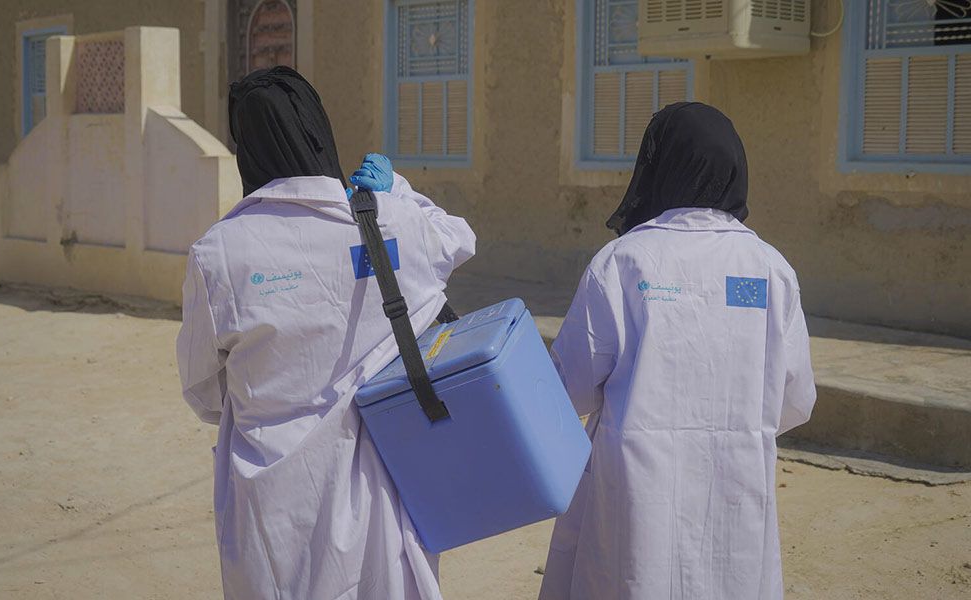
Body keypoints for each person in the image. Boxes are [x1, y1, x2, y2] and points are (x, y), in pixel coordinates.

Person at [176, 66, 475, 600]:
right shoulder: (387, 222)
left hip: (274, 514)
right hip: (384, 493)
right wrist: (399, 191)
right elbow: (457, 239)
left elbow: (203, 391)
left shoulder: (218, 254)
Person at [538, 102, 816, 600]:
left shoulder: (624, 263)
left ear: (657, 164)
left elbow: (570, 389)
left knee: (634, 577)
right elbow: (795, 402)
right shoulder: (770, 269)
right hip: (735, 492)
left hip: (635, 491)